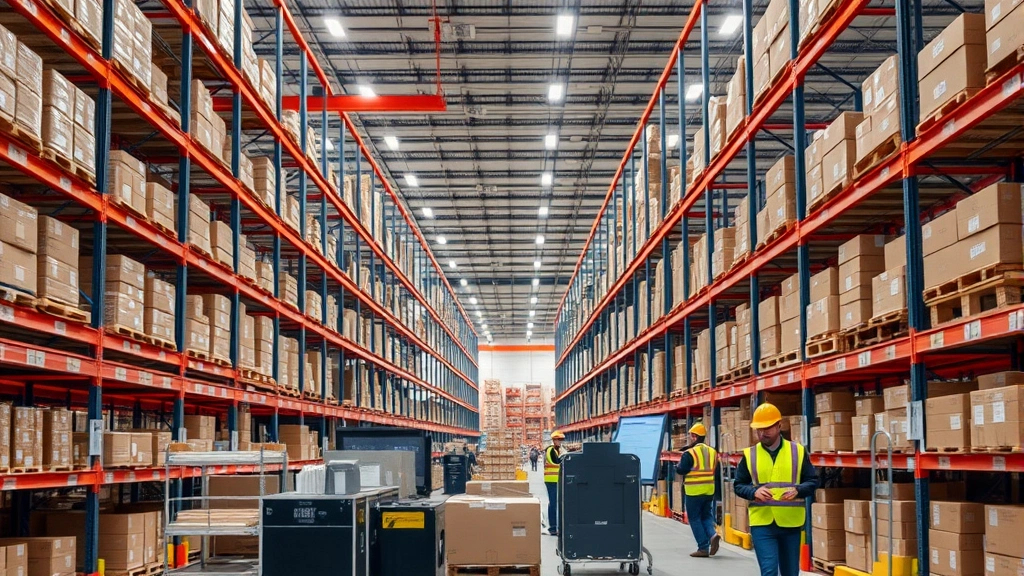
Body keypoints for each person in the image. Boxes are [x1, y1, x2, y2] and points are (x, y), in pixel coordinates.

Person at [734, 403, 819, 576]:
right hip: (762, 523)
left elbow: (813, 481)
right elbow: (738, 485)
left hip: (791, 523)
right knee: (769, 570)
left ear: (779, 425)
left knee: (790, 572)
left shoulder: (798, 451)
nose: (762, 433)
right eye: (759, 429)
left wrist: (799, 490)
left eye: (767, 428)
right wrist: (753, 492)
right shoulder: (750, 454)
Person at [675, 422, 719, 558]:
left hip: (694, 491)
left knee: (694, 518)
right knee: (706, 515)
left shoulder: (689, 453)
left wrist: (677, 465)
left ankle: (703, 548)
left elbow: (682, 469)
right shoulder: (713, 452)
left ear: (694, 437)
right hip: (709, 490)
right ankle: (713, 535)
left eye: (691, 436)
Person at [544, 430, 565, 536]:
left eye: (561, 440)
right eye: (559, 440)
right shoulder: (550, 450)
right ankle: (552, 527)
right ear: (554, 440)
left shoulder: (556, 450)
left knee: (555, 503)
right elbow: (555, 462)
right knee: (553, 503)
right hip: (551, 480)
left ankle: (555, 526)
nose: (561, 442)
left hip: (555, 480)